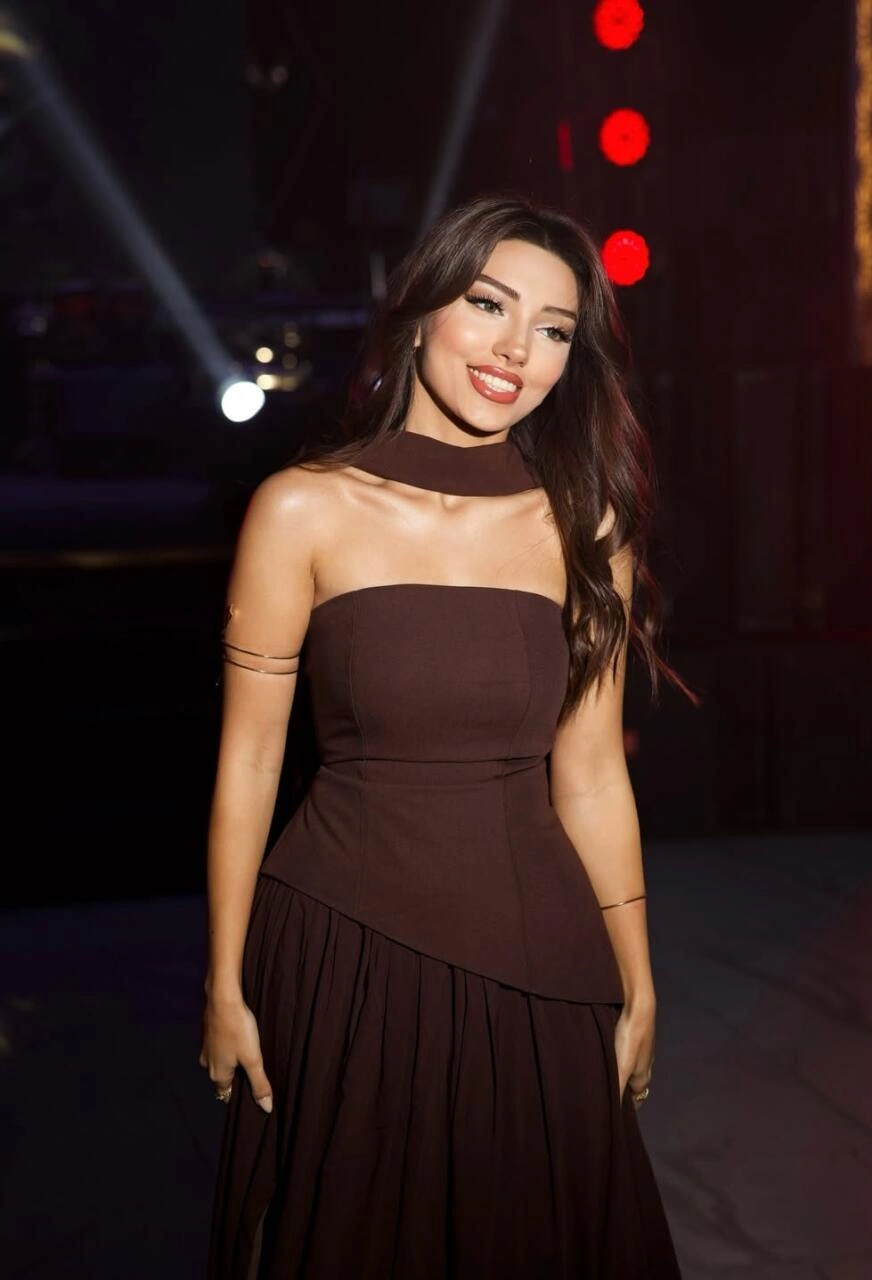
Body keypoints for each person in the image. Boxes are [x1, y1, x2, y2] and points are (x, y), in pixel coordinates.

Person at [201, 193, 693, 1279]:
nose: (516, 349)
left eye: (554, 329)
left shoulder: (585, 524)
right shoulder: (302, 508)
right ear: (421, 308)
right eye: (487, 304)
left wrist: (638, 975)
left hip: (538, 953)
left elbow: (591, 773)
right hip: (345, 949)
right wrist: (224, 980)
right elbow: (250, 759)